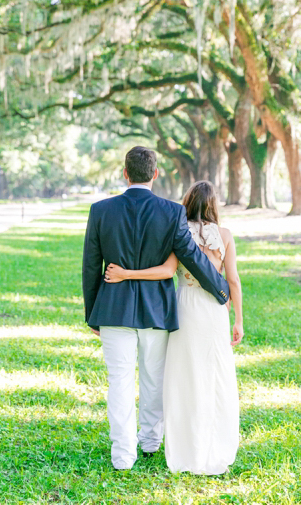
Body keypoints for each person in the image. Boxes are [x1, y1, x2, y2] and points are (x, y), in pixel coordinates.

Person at [82, 147, 230, 470]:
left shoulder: (100, 210)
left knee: (119, 382)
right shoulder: (170, 212)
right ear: (155, 174)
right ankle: (150, 442)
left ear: (125, 173)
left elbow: (91, 266)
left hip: (112, 311)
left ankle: (123, 456)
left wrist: (92, 312)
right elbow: (191, 255)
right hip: (157, 311)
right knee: (153, 380)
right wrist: (221, 289)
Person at [105, 180, 243, 475]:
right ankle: (215, 443)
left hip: (185, 308)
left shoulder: (178, 231)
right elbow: (233, 281)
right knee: (215, 374)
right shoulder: (226, 235)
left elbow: (167, 271)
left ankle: (182, 446)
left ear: (187, 201)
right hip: (214, 311)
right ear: (214, 204)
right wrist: (239, 319)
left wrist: (125, 273)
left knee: (182, 376)